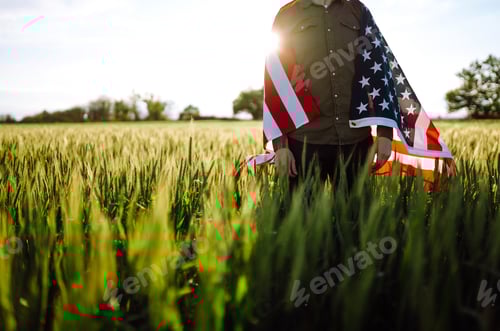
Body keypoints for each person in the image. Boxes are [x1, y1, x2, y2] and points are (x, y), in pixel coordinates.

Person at [270, 0, 393, 191]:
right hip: (304, 142)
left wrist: (385, 133)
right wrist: (281, 145)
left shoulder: (358, 10)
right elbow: (276, 80)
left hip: (356, 140)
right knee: (304, 219)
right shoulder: (287, 15)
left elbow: (379, 68)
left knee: (355, 219)